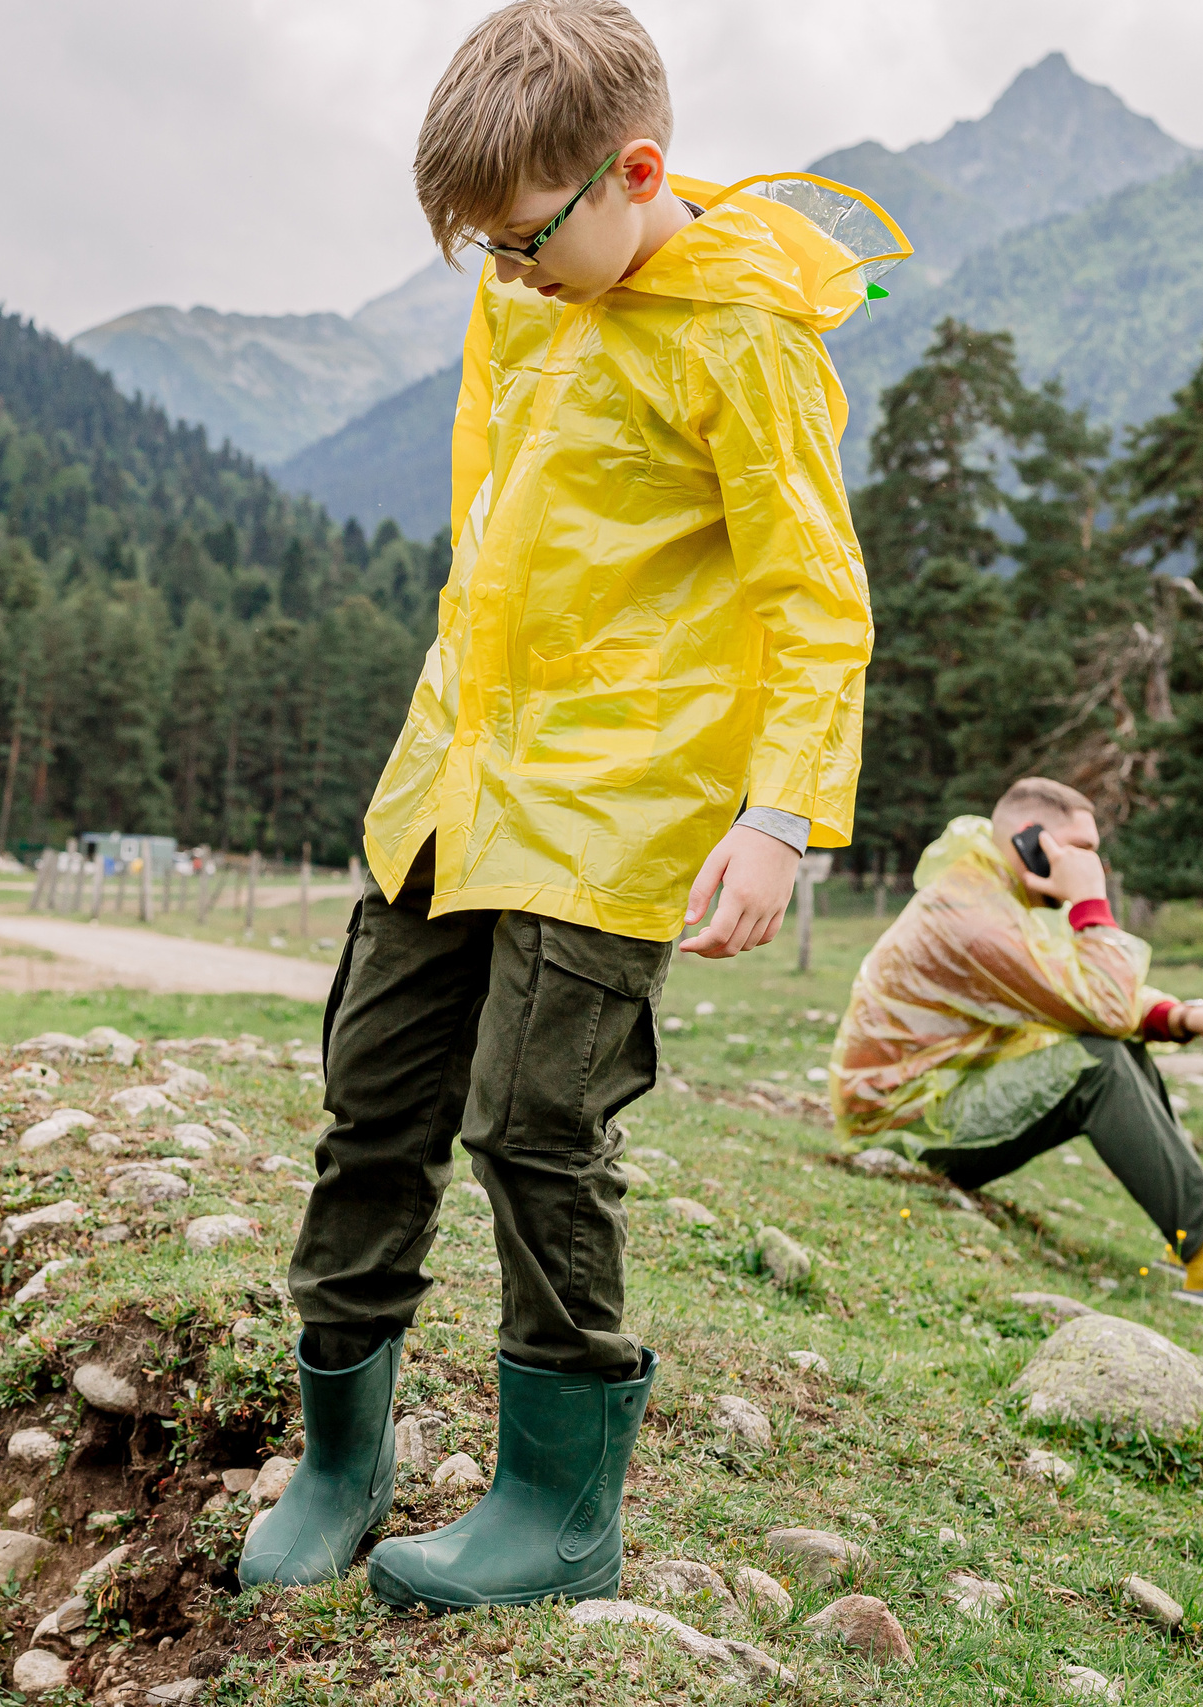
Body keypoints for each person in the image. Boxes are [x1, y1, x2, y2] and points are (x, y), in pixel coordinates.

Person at [240, 0, 893, 1610]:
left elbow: (817, 598)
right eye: (485, 252)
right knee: (370, 1103)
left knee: (536, 1125)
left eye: (527, 240)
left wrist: (781, 813)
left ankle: (555, 1502)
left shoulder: (748, 339)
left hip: (619, 808)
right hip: (454, 784)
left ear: (636, 170)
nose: (509, 273)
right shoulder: (524, 295)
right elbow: (491, 522)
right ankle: (340, 1462)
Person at [833, 777, 1203, 1316]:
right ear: (1032, 843)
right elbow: (1104, 1007)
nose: (1096, 866)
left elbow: (1074, 993)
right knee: (1098, 1063)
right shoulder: (970, 913)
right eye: (1082, 850)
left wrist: (1186, 1016)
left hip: (940, 1103)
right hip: (900, 1128)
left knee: (1111, 1050)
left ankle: (1193, 1244)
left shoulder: (995, 891)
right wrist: (1090, 905)